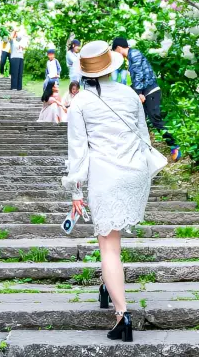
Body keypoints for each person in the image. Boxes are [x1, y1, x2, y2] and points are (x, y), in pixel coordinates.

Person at [65, 40, 152, 342]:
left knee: (109, 247)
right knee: (113, 237)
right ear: (111, 66)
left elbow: (78, 153)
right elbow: (143, 135)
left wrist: (75, 193)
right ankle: (107, 284)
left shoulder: (80, 103)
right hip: (134, 173)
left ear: (85, 73)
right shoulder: (129, 93)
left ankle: (122, 315)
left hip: (105, 175)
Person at [111, 37, 180, 161]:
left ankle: (175, 146)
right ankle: (139, 151)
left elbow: (139, 74)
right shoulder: (132, 56)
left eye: (115, 52)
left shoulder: (134, 54)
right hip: (145, 91)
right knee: (138, 120)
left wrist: (139, 92)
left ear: (119, 48)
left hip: (150, 91)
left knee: (156, 120)